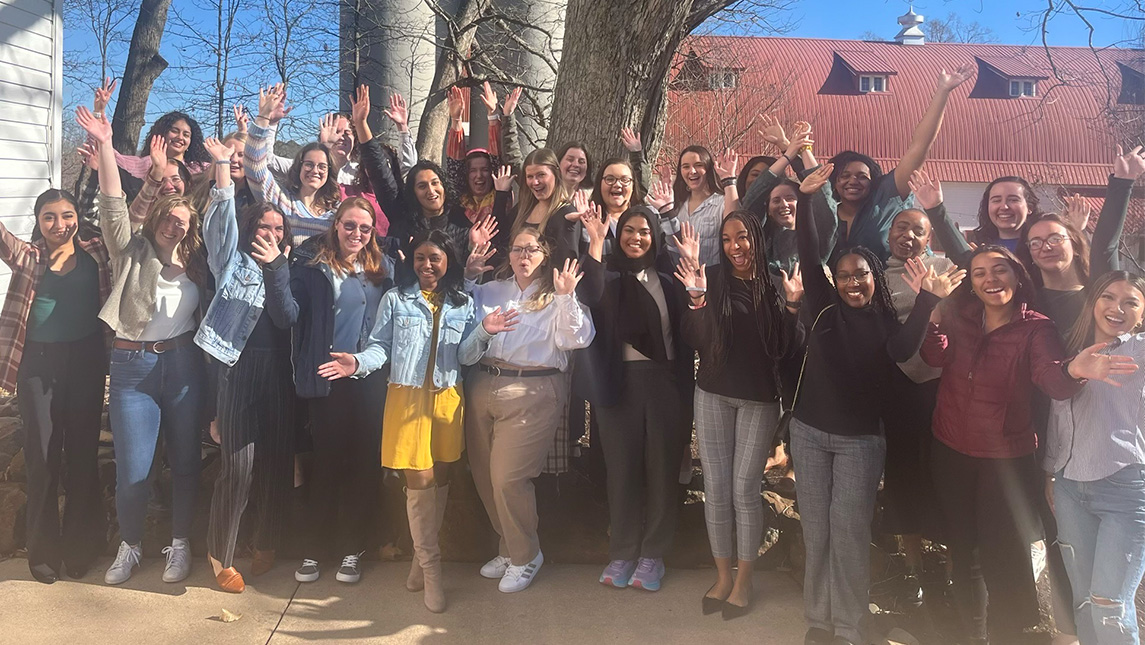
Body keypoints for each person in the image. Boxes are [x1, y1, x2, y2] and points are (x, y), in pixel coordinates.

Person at [920, 245, 1132, 644]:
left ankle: (1011, 635)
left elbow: (1051, 379)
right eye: (980, 273)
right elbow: (935, 357)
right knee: (964, 551)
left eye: (1000, 271)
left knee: (1005, 557)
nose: (990, 280)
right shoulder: (961, 316)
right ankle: (972, 636)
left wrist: (1074, 370)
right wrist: (933, 316)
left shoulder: (1037, 328)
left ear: (1018, 278)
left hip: (1005, 459)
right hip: (950, 448)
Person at [790, 165, 961, 645]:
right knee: (816, 532)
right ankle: (818, 620)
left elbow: (907, 350)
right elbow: (807, 251)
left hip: (860, 441)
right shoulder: (822, 306)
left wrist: (928, 300)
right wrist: (806, 200)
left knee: (847, 535)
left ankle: (848, 625)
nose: (852, 282)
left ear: (872, 275)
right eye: (844, 275)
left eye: (860, 274)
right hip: (808, 432)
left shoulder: (888, 322)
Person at [323, 229, 517, 612]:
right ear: (412, 262)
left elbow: (464, 356)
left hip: (447, 399)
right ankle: (432, 570)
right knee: (420, 481)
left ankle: (417, 560)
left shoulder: (462, 303)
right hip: (406, 400)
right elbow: (381, 347)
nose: (427, 265)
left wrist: (484, 331)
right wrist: (359, 362)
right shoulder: (397, 299)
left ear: (448, 263)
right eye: (420, 258)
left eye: (435, 258)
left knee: (442, 477)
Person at [77, 106, 212, 587]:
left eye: (183, 221)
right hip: (132, 368)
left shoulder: (198, 260)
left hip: (183, 366)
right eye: (169, 219)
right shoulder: (129, 250)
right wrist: (106, 142)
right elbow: (113, 202)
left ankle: (179, 543)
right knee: (133, 467)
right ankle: (130, 545)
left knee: (185, 462)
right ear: (156, 217)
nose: (176, 225)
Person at [266, 197, 394, 584]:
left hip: (370, 376)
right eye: (350, 225)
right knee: (325, 464)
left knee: (364, 465)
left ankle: (353, 548)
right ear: (335, 225)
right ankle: (314, 549)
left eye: (365, 228)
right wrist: (275, 269)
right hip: (329, 376)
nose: (357, 233)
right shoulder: (312, 267)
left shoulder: (382, 268)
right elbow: (286, 315)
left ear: (373, 233)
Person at [673, 211, 793, 618]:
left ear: (756, 239)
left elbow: (789, 348)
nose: (735, 247)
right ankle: (722, 575)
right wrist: (696, 298)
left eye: (742, 237)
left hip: (759, 399)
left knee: (744, 491)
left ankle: (745, 579)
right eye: (726, 240)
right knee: (718, 491)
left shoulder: (778, 284)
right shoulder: (712, 277)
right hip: (712, 394)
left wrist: (792, 307)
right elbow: (695, 339)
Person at [461, 229, 595, 593]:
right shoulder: (491, 291)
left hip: (533, 388)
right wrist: (469, 276)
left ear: (544, 254)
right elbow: (456, 311)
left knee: (508, 478)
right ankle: (508, 547)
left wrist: (567, 298)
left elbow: (577, 339)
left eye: (531, 249)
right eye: (517, 248)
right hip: (483, 382)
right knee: (485, 476)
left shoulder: (556, 296)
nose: (523, 255)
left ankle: (526, 555)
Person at [195, 137, 297, 593]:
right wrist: (222, 168)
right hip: (237, 371)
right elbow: (218, 223)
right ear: (251, 226)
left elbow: (286, 316)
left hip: (278, 373)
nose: (270, 233)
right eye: (263, 226)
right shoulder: (229, 261)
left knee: (275, 462)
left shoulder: (288, 268)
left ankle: (266, 539)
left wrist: (278, 269)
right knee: (237, 465)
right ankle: (221, 552)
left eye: (278, 228)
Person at [577, 205, 693, 592]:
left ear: (655, 236)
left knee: (661, 469)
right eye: (628, 230)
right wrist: (595, 242)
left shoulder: (670, 276)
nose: (636, 237)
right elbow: (588, 295)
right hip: (618, 383)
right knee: (621, 470)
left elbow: (689, 329)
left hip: (665, 383)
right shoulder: (607, 274)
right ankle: (623, 551)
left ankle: (653, 554)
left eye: (644, 231)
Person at [0, 185, 110, 585]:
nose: (58, 224)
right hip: (37, 364)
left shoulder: (97, 251)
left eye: (66, 216)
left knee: (82, 453)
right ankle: (42, 552)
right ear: (37, 221)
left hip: (86, 359)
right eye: (49, 217)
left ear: (77, 218)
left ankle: (82, 547)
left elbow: (131, 213)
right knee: (42, 456)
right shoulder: (29, 257)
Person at [1045, 271, 1145, 645]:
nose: (1117, 308)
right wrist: (1050, 472)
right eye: (1108, 297)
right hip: (1070, 488)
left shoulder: (1141, 350)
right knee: (1085, 602)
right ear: (1093, 303)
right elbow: (1059, 415)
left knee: (1109, 605)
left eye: (1131, 301)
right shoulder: (1070, 351)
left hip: (1126, 489)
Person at [819, 65, 974, 263]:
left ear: (873, 181)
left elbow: (919, 147)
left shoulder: (887, 198)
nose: (853, 181)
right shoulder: (827, 213)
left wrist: (943, 92)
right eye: (845, 175)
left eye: (862, 177)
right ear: (835, 181)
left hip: (896, 287)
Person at [352, 85, 472, 256]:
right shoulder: (402, 216)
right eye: (422, 186)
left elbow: (457, 166)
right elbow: (380, 173)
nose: (431, 191)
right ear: (413, 192)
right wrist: (361, 124)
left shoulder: (460, 222)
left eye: (435, 183)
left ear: (444, 186)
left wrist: (457, 121)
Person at [244, 84, 341, 240]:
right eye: (309, 164)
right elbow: (254, 166)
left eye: (322, 166)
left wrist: (327, 147)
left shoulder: (337, 213)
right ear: (298, 167)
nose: (315, 170)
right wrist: (264, 118)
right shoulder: (281, 201)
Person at [445, 82, 523, 223]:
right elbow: (455, 164)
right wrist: (456, 120)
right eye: (473, 170)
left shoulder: (500, 192)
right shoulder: (460, 197)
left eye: (485, 169)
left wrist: (493, 115)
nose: (479, 176)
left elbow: (498, 155)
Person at [489, 149, 580, 262]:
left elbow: (567, 262)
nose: (535, 182)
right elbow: (497, 240)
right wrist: (501, 195)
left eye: (541, 175)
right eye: (530, 177)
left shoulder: (566, 213)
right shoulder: (523, 209)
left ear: (556, 174)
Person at [666, 145, 740, 266]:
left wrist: (729, 180)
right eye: (686, 167)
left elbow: (733, 223)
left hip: (714, 275)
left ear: (708, 169)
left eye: (698, 165)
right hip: (681, 277)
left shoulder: (721, 202)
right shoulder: (677, 205)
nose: (692, 171)